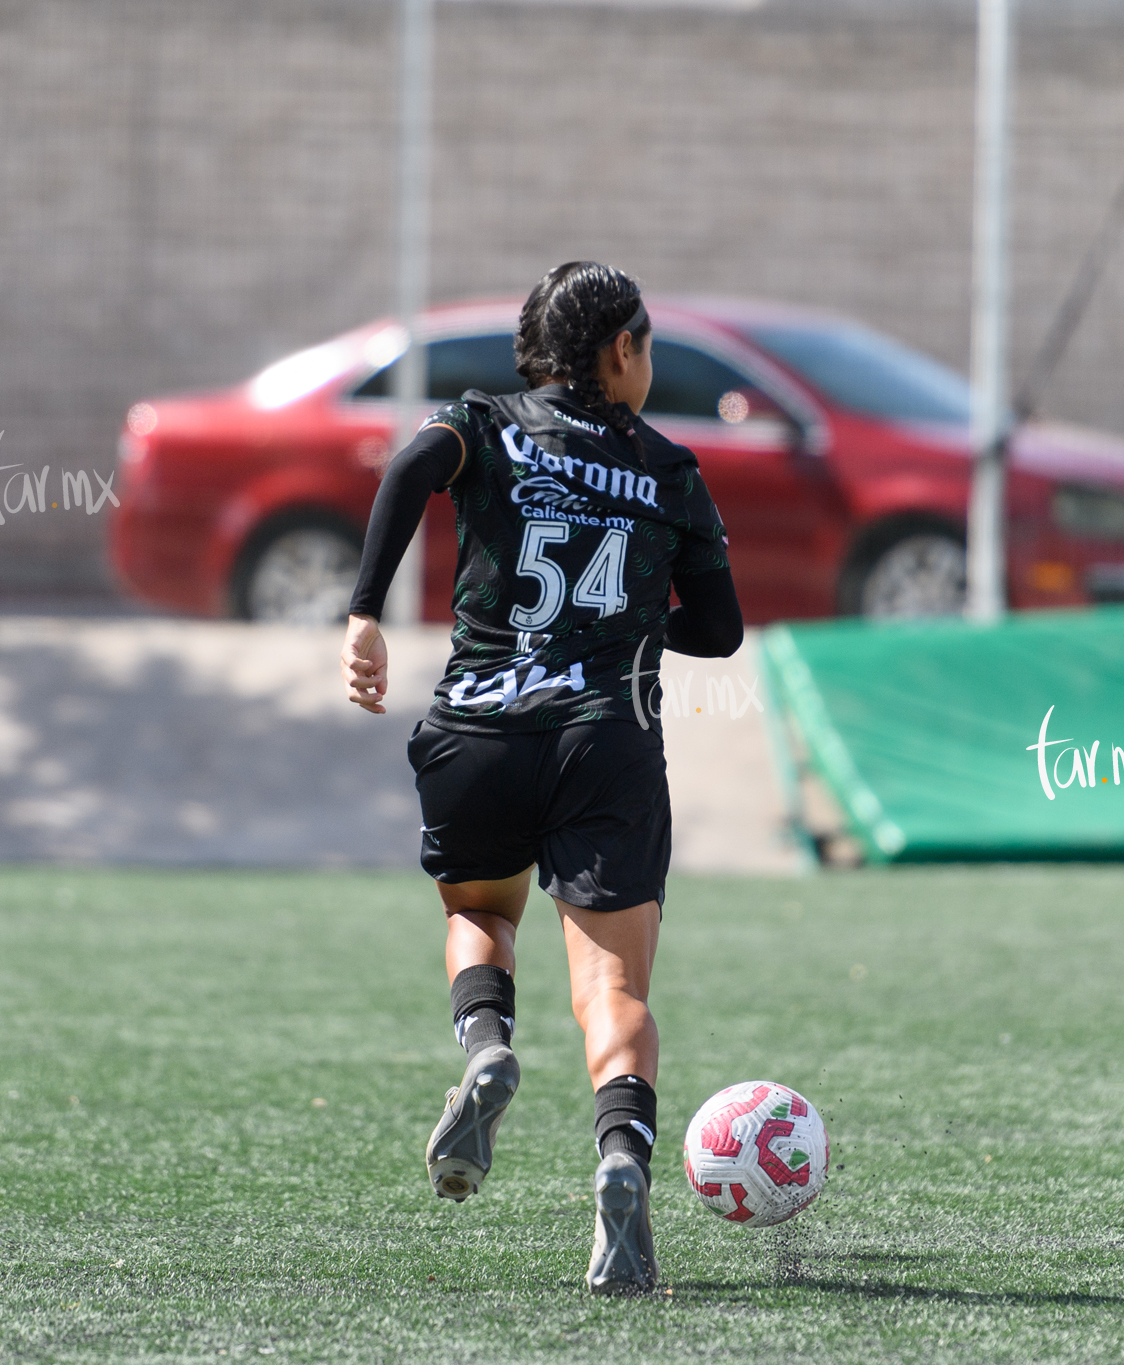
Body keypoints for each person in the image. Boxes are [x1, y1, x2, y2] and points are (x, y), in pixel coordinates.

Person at [338, 262, 743, 1294]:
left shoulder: (483, 419)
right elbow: (722, 630)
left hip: (477, 726)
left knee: (479, 913)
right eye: (645, 345)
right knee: (613, 989)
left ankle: (484, 1046)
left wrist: (364, 612)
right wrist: (632, 610)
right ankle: (619, 1163)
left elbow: (403, 475)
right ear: (621, 351)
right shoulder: (667, 467)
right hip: (602, 737)